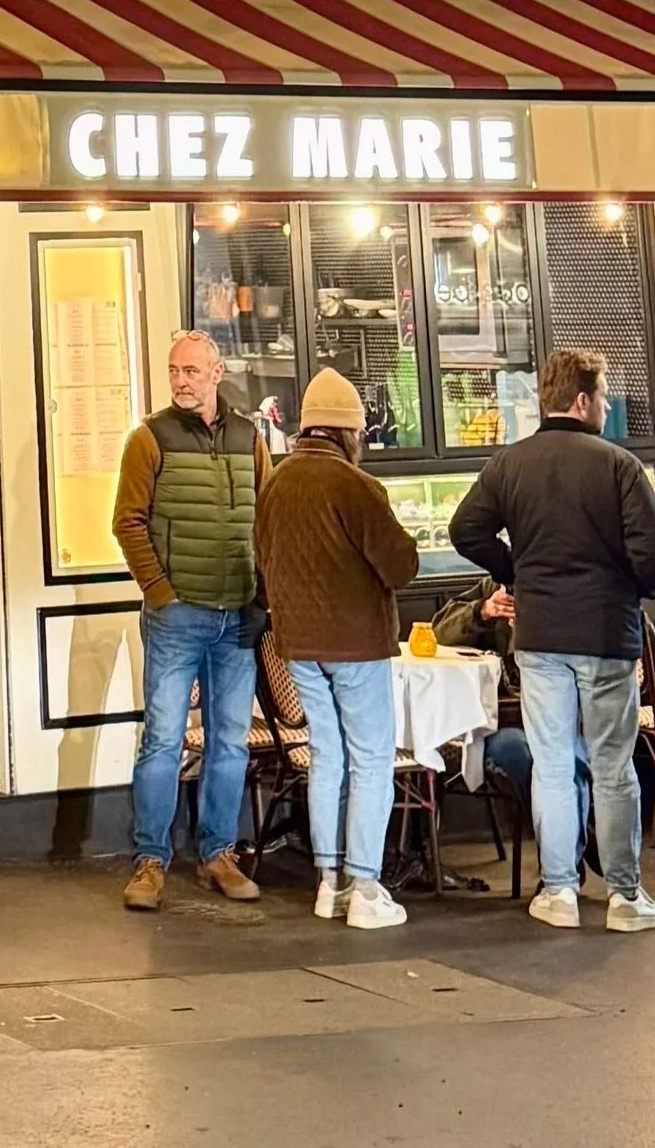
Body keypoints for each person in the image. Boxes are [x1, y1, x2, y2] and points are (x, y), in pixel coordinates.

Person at [450, 347, 655, 934]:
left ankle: (558, 891)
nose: (604, 406)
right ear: (582, 401)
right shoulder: (618, 465)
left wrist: (515, 570)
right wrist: (630, 588)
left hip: (540, 633)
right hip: (605, 633)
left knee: (550, 763)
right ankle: (625, 896)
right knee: (613, 766)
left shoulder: (509, 464)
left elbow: (464, 528)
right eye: (601, 397)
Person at [255, 366, 419, 930]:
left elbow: (262, 562)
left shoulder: (275, 482)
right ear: (350, 433)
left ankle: (328, 885)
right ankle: (367, 886)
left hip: (297, 644)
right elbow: (400, 565)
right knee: (372, 757)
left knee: (327, 755)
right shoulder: (355, 486)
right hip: (355, 644)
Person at [111, 331, 265, 912]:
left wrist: (261, 601)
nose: (181, 380)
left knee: (230, 742)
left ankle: (218, 854)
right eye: (174, 370)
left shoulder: (250, 437)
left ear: (217, 372)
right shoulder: (149, 439)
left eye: (192, 371)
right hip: (177, 616)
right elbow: (128, 521)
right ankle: (150, 860)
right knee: (164, 741)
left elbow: (265, 523)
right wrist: (161, 593)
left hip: (236, 616)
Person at [431, 575, 596, 875]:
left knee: (570, 760)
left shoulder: (566, 589)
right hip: (505, 724)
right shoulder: (494, 588)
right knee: (522, 755)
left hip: (560, 719)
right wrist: (483, 611)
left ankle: (564, 865)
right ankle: (577, 850)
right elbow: (438, 631)